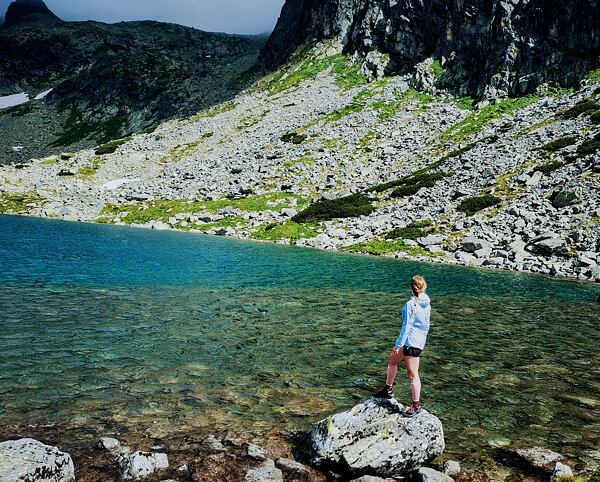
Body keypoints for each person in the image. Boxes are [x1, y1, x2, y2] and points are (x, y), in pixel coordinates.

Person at [373, 275, 431, 418]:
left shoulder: (410, 305)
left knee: (413, 375)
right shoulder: (427, 303)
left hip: (410, 343)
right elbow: (426, 325)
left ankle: (416, 405)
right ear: (423, 287)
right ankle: (388, 389)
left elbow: (406, 327)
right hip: (418, 342)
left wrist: (398, 345)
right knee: (392, 361)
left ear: (411, 288)